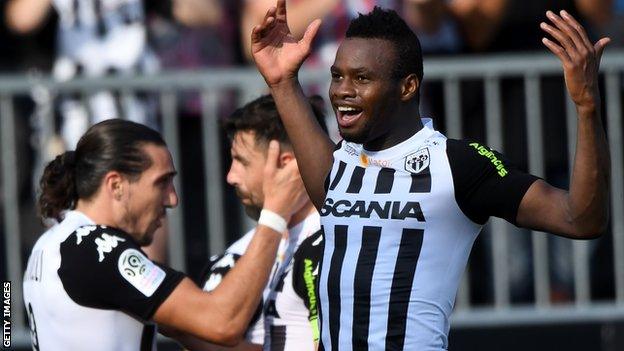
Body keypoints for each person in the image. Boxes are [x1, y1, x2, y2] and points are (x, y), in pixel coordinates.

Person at [251, 1, 610, 349]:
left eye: (362, 78)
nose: (343, 90)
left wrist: (587, 106)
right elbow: (292, 101)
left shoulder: (457, 164)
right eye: (337, 76)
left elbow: (580, 219)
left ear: (408, 87)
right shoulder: (339, 166)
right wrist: (282, 80)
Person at [22, 119, 305, 350]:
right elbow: (222, 322)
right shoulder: (98, 249)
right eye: (162, 183)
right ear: (116, 185)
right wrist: (275, 212)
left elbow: (210, 339)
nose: (172, 200)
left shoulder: (50, 244)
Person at [173, 94, 327, 351]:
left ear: (285, 164)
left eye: (242, 161)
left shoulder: (334, 244)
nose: (230, 176)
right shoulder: (235, 256)